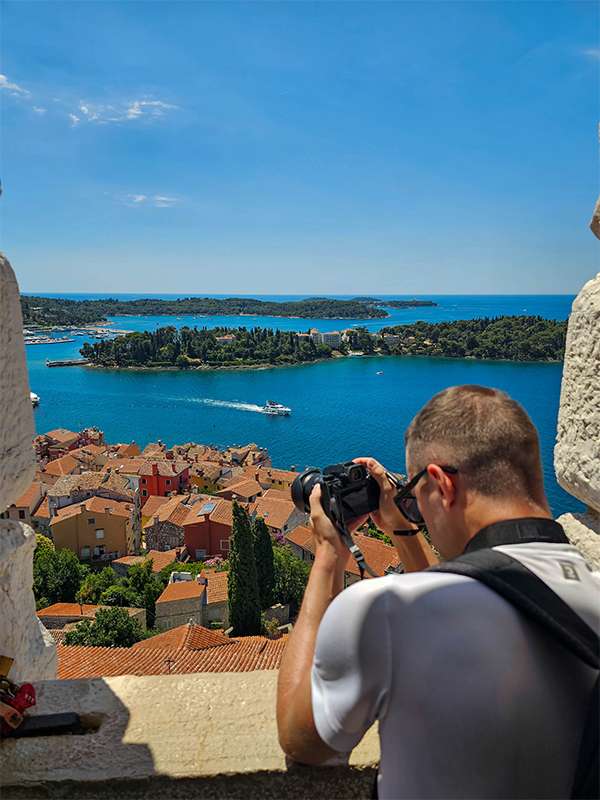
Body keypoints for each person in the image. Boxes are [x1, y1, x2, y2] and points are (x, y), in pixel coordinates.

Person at [276, 384, 600, 799]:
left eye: (416, 495)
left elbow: (303, 741)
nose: (417, 509)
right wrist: (403, 527)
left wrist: (328, 552)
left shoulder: (387, 610)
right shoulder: (591, 589)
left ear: (442, 484)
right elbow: (465, 586)